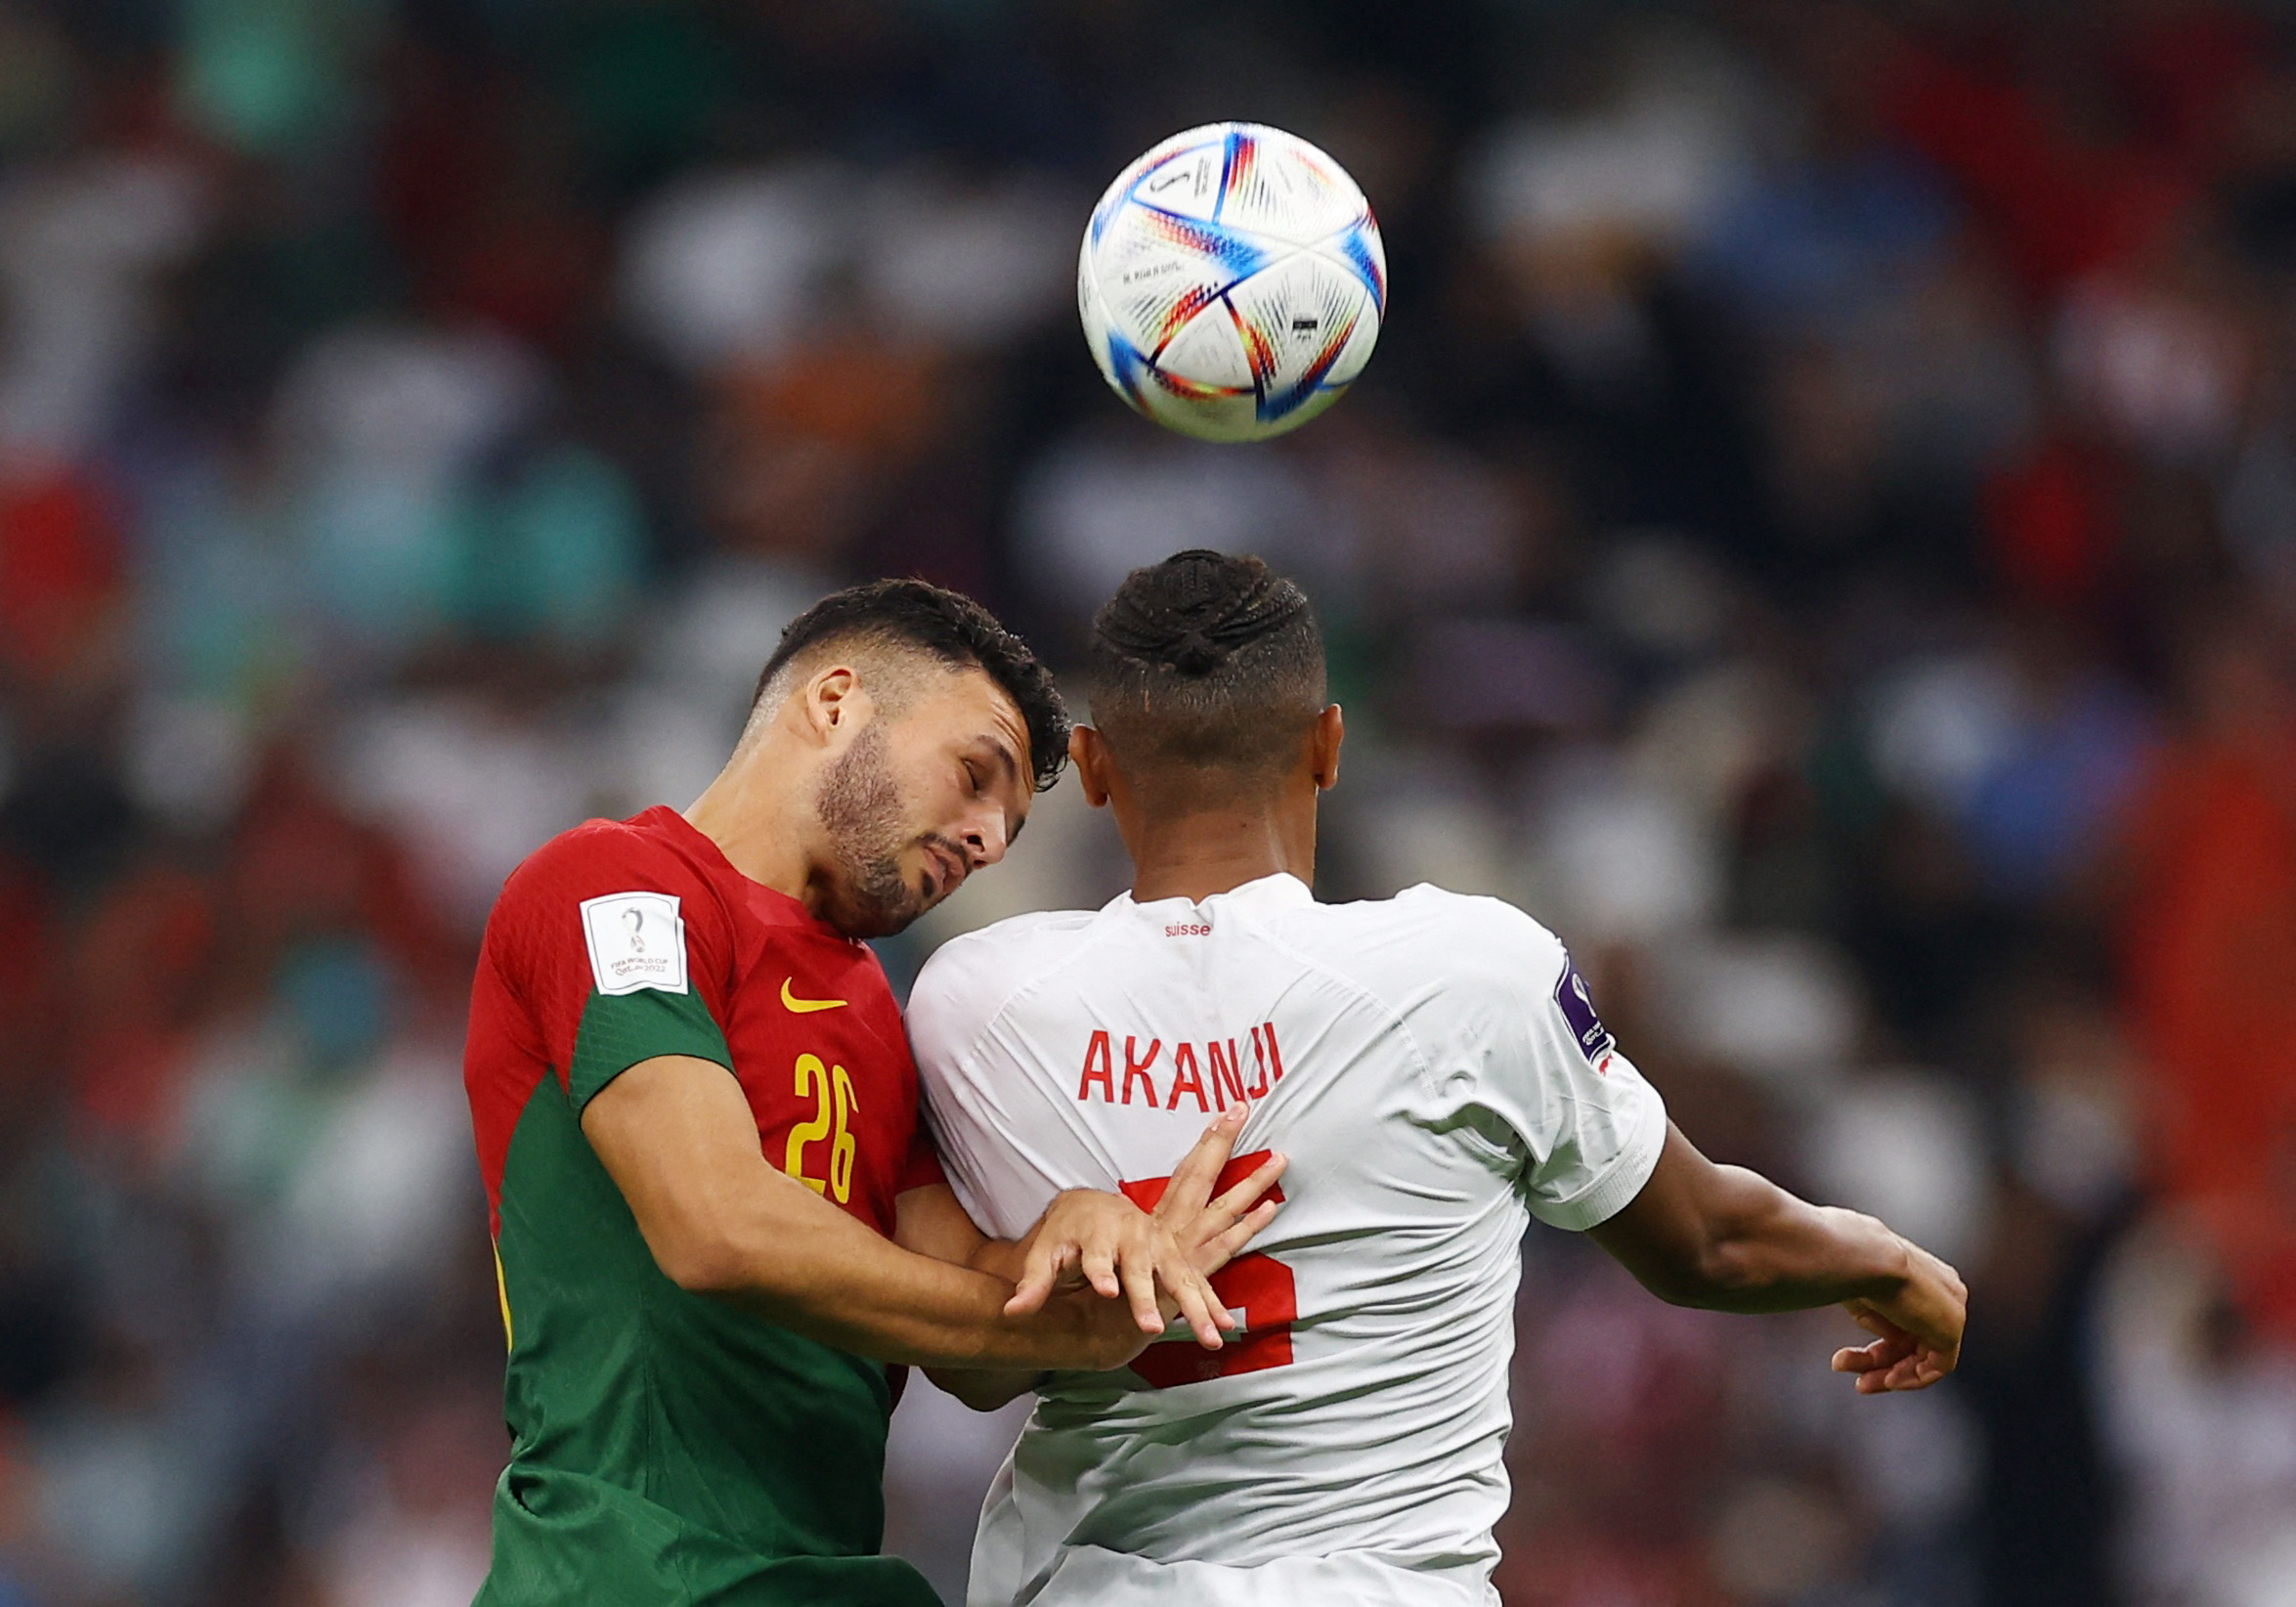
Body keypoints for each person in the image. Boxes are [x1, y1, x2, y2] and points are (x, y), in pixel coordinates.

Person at [908, 551, 1970, 1607]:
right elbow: (1711, 1244)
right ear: (1329, 746)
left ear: (1090, 766)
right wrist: (1886, 1263)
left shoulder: (977, 1002)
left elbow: (964, 1344)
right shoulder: (1475, 972)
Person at [462, 579, 1285, 1607]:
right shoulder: (617, 886)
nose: (987, 838)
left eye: (1010, 825)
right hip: (627, 1571)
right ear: (836, 701)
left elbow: (970, 1334)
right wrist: (1037, 1330)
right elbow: (713, 1225)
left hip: (829, 1579)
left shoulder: (871, 1009)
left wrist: (1074, 1246)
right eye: (973, 775)